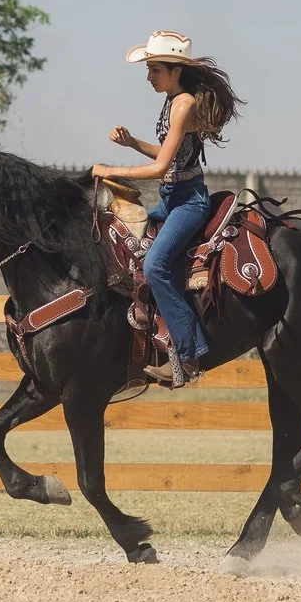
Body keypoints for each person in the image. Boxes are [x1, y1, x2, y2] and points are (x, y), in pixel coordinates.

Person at [92, 30, 242, 387]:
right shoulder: (172, 99)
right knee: (121, 235)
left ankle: (189, 357)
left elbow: (160, 169)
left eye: (155, 69)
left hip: (189, 203)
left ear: (175, 70)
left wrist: (110, 169)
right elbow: (165, 157)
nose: (149, 76)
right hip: (171, 200)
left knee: (157, 265)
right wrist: (131, 144)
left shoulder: (185, 103)